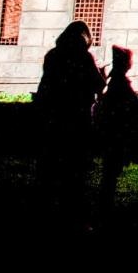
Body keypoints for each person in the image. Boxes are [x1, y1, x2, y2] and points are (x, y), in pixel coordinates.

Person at [35, 22, 103, 227]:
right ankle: (72, 212)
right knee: (75, 166)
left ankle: (45, 208)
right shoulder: (83, 57)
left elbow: (47, 84)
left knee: (50, 163)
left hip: (52, 116)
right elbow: (98, 84)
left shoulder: (53, 55)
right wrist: (101, 73)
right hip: (76, 116)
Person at [94, 45, 138, 221]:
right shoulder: (120, 83)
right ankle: (105, 205)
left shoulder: (116, 81)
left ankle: (105, 202)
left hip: (114, 131)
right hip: (117, 132)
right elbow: (130, 106)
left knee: (111, 168)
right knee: (111, 169)